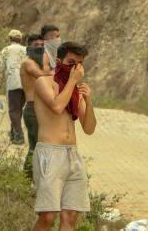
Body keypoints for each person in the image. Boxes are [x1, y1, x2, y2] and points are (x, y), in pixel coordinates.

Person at [32, 42, 96, 231]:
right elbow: (57, 106)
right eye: (71, 62)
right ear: (59, 61)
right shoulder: (44, 82)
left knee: (70, 215)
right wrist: (72, 81)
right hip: (50, 153)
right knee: (48, 216)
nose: (75, 68)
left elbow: (89, 128)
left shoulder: (75, 92)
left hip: (72, 155)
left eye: (79, 64)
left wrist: (88, 99)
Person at [20, 34, 52, 178]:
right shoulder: (28, 63)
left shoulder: (43, 65)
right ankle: (26, 180)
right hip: (33, 109)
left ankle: (37, 178)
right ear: (29, 47)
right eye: (36, 45)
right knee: (35, 147)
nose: (40, 48)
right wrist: (47, 65)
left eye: (42, 45)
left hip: (44, 109)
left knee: (44, 146)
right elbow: (42, 75)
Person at [0, 29, 28, 144]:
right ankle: (13, 132)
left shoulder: (6, 50)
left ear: (10, 39)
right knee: (19, 109)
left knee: (13, 110)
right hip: (27, 83)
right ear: (21, 39)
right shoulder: (26, 50)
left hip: (13, 82)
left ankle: (19, 135)